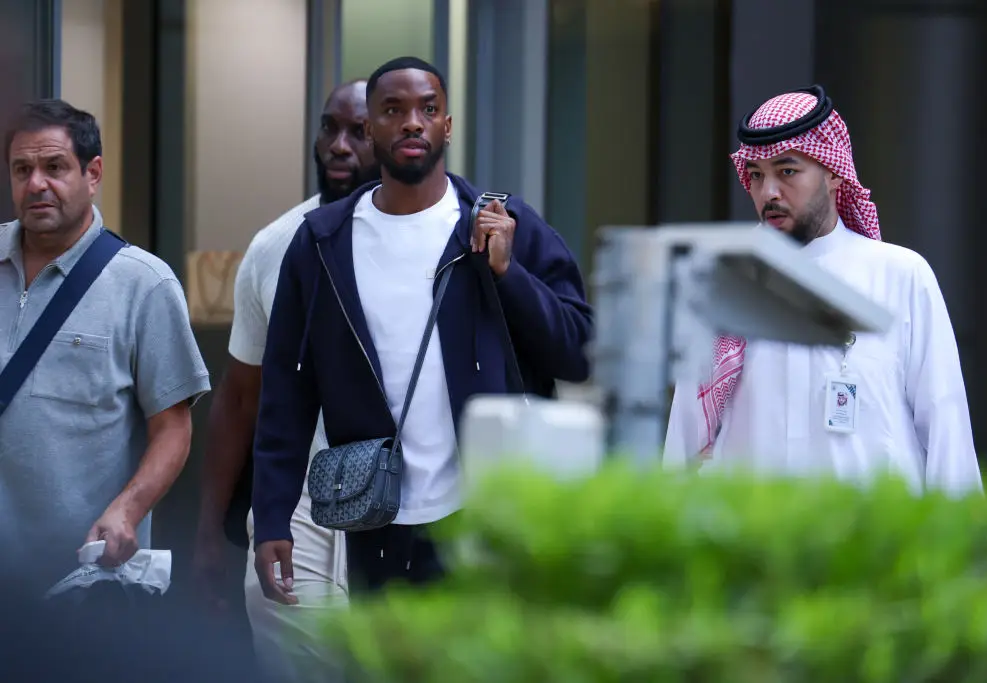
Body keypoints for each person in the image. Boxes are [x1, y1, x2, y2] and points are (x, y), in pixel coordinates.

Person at [251, 55, 592, 602]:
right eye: (393, 110)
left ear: (447, 126)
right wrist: (271, 517)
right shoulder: (322, 243)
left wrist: (507, 273)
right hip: (374, 518)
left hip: (489, 516)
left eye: (428, 109)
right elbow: (286, 390)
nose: (412, 122)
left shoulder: (502, 224)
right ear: (370, 127)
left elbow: (578, 351)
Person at [663, 85, 983, 496]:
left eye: (787, 171)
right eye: (757, 175)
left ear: (833, 173)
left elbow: (946, 432)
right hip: (758, 546)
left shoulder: (900, 276)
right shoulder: (726, 283)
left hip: (873, 548)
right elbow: (685, 442)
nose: (769, 193)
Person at [191, 80, 379, 681]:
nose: (338, 146)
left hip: (404, 498)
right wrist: (207, 530)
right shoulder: (275, 246)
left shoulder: (435, 238)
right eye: (329, 128)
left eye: (357, 131)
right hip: (296, 501)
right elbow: (240, 396)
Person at [0, 99, 210, 593]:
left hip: (77, 580)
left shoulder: (144, 284)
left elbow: (173, 427)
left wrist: (128, 510)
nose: (36, 184)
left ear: (93, 174)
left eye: (54, 167)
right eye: (21, 169)